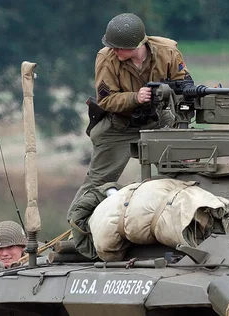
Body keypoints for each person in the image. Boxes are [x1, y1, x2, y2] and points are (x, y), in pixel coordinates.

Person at [67, 12, 192, 223]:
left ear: (136, 45)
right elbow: (106, 100)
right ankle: (75, 230)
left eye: (118, 47)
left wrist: (181, 129)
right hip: (120, 125)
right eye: (111, 46)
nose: (113, 50)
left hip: (158, 121)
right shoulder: (107, 58)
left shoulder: (168, 52)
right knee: (98, 181)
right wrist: (136, 97)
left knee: (186, 170)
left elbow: (183, 86)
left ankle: (183, 222)